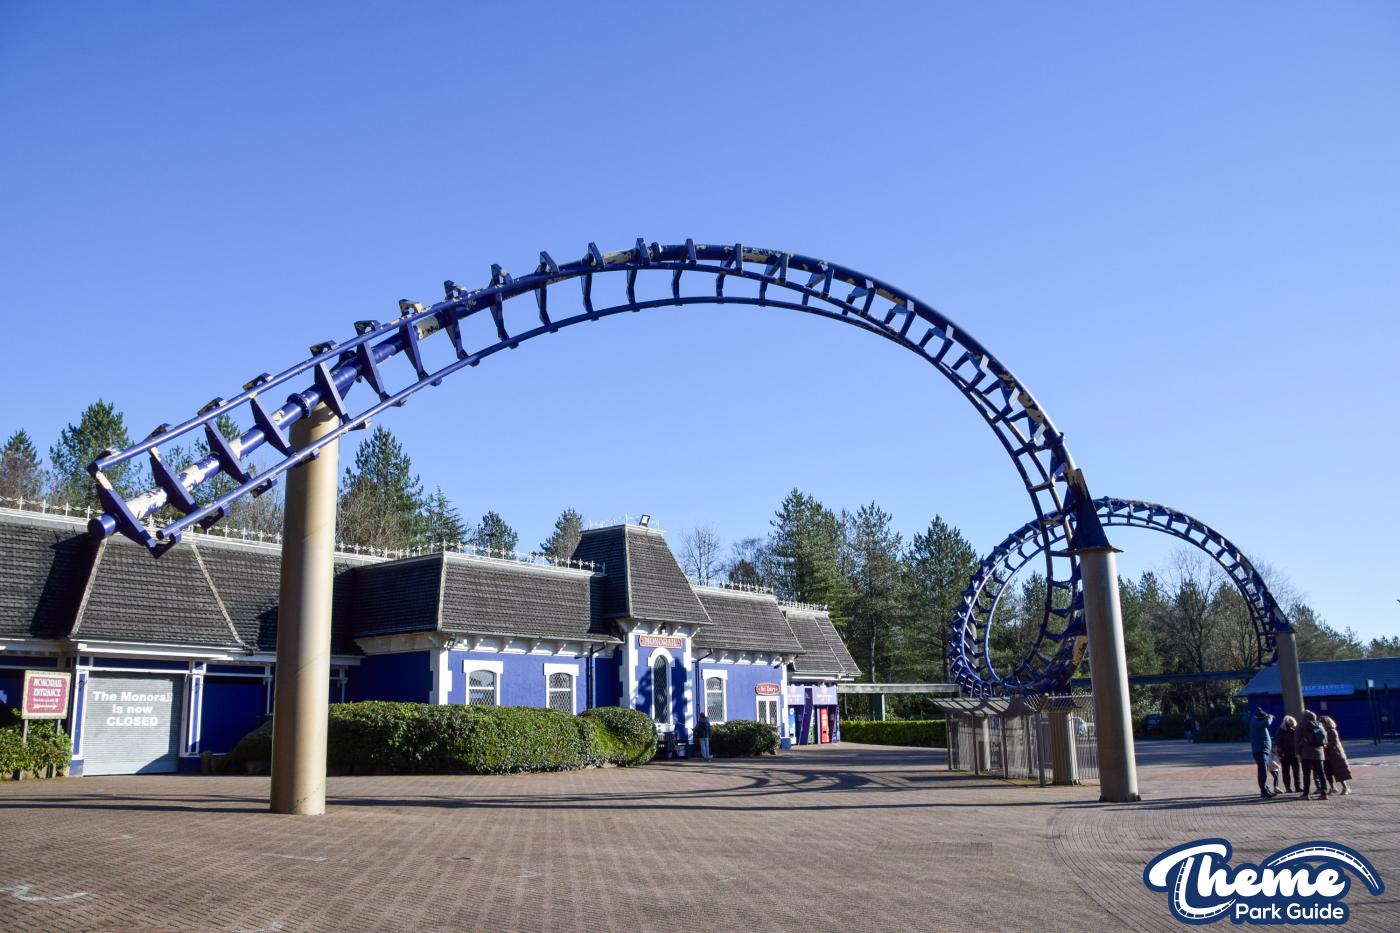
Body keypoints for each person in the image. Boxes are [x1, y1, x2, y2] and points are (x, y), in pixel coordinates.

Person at [1298, 709, 1328, 800]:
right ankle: (1324, 793)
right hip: (1319, 753)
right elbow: (1324, 740)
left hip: (1306, 754)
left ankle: (1306, 794)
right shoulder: (1319, 725)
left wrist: (1298, 753)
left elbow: (1296, 741)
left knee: (1306, 774)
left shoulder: (1301, 726)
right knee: (1321, 774)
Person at [1320, 715, 1353, 795]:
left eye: (1322, 722)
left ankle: (1345, 787)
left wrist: (1325, 744)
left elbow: (1333, 743)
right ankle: (1332, 787)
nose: (1321, 724)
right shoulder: (1322, 731)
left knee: (1338, 772)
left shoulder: (1332, 731)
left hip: (1335, 755)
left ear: (1326, 723)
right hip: (1326, 755)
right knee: (1328, 772)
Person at [1248, 708, 1276, 798]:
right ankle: (1263, 790)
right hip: (1260, 750)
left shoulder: (1257, 722)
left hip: (1263, 750)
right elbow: (1267, 722)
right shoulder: (1256, 721)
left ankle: (1265, 788)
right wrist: (1270, 716)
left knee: (1263, 771)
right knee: (1262, 771)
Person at [1276, 715, 1301, 793]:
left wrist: (1280, 752)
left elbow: (1278, 742)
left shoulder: (1281, 730)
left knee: (1287, 772)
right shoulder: (1295, 730)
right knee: (1295, 771)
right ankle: (1296, 787)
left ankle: (1289, 788)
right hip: (1291, 754)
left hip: (1286, 754)